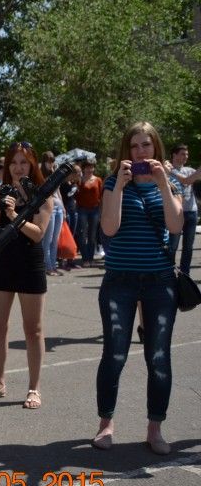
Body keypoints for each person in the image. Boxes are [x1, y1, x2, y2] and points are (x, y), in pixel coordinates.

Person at [92, 122, 182, 455]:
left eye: (146, 145)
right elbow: (110, 228)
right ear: (126, 151)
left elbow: (175, 226)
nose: (140, 152)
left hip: (159, 282)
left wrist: (162, 184)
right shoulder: (115, 182)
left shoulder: (169, 183)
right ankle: (106, 424)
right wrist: (118, 187)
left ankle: (155, 428)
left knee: (158, 356)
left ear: (156, 148)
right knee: (114, 354)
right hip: (120, 281)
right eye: (134, 146)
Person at [0, 142, 52, 410]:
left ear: (32, 164)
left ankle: (34, 388)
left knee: (33, 330)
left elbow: (38, 233)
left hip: (30, 264)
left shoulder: (43, 194)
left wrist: (14, 214)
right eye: (13, 163)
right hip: (1, 263)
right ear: (6, 166)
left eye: (24, 162)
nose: (18, 167)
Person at [166, 144, 198, 275]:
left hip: (191, 212)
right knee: (172, 245)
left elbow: (191, 180)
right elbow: (186, 181)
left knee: (188, 247)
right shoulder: (167, 170)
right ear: (174, 155)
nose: (186, 157)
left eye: (187, 154)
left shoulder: (190, 170)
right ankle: (168, 272)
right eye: (182, 154)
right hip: (176, 212)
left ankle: (185, 274)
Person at [75, 158, 103, 267]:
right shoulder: (79, 180)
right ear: (84, 168)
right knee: (82, 235)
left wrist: (101, 211)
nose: (90, 169)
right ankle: (85, 258)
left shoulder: (98, 180)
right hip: (82, 210)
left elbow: (102, 196)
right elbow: (75, 196)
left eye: (92, 167)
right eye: (88, 167)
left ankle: (91, 259)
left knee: (92, 236)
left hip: (95, 209)